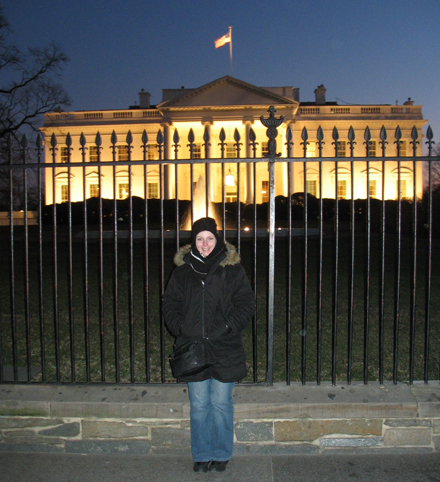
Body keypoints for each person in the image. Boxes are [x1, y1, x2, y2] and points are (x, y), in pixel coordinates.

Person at [163, 217, 255, 473]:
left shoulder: (232, 269)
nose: (205, 244)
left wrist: (226, 327)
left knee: (221, 403)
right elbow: (169, 304)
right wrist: (181, 328)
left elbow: (246, 303)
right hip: (192, 349)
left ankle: (222, 452)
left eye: (210, 238)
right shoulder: (183, 271)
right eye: (200, 239)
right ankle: (202, 453)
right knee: (200, 404)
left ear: (218, 241)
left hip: (224, 347)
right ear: (193, 242)